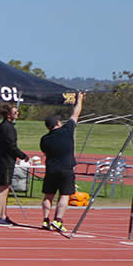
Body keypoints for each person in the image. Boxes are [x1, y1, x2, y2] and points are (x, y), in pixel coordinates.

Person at [40, 92, 85, 233]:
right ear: (58, 124)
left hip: (51, 169)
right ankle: (58, 220)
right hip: (66, 169)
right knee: (64, 195)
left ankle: (46, 219)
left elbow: (45, 153)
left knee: (48, 196)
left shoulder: (44, 139)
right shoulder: (67, 129)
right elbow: (76, 113)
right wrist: (80, 99)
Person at [0, 104, 29, 226]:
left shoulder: (3, 127)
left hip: (3, 160)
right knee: (3, 188)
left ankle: (3, 215)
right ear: (8, 114)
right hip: (4, 162)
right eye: (15, 112)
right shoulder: (7, 128)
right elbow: (11, 146)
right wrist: (23, 155)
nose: (17, 114)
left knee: (5, 188)